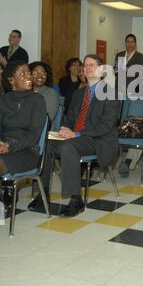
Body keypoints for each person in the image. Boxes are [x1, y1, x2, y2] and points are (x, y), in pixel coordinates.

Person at [28, 54, 120, 217]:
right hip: (76, 137)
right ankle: (43, 194)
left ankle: (76, 200)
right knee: (47, 146)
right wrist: (64, 129)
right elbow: (69, 118)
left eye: (92, 65)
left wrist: (76, 133)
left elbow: (107, 125)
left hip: (98, 140)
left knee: (68, 147)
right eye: (85, 65)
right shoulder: (79, 94)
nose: (87, 68)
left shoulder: (110, 92)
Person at [0, 61, 47, 207]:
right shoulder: (3, 100)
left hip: (27, 151)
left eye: (28, 72)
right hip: (4, 148)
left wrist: (10, 146)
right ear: (11, 80)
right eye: (23, 73)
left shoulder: (37, 100)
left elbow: (33, 135)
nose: (28, 76)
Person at [29, 61, 59, 127]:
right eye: (36, 73)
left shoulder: (51, 93)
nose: (40, 76)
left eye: (43, 73)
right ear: (29, 75)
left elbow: (47, 118)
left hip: (43, 130)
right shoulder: (24, 92)